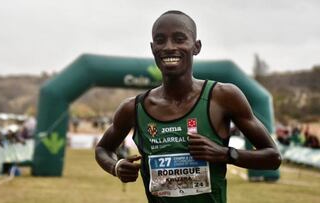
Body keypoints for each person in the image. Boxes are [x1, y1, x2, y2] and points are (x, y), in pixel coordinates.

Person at [95, 10, 281, 203]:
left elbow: (273, 157)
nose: (169, 47)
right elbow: (102, 149)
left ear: (196, 46)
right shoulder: (133, 108)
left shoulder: (223, 96)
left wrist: (225, 154)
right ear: (153, 48)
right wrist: (115, 167)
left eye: (179, 39)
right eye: (160, 40)